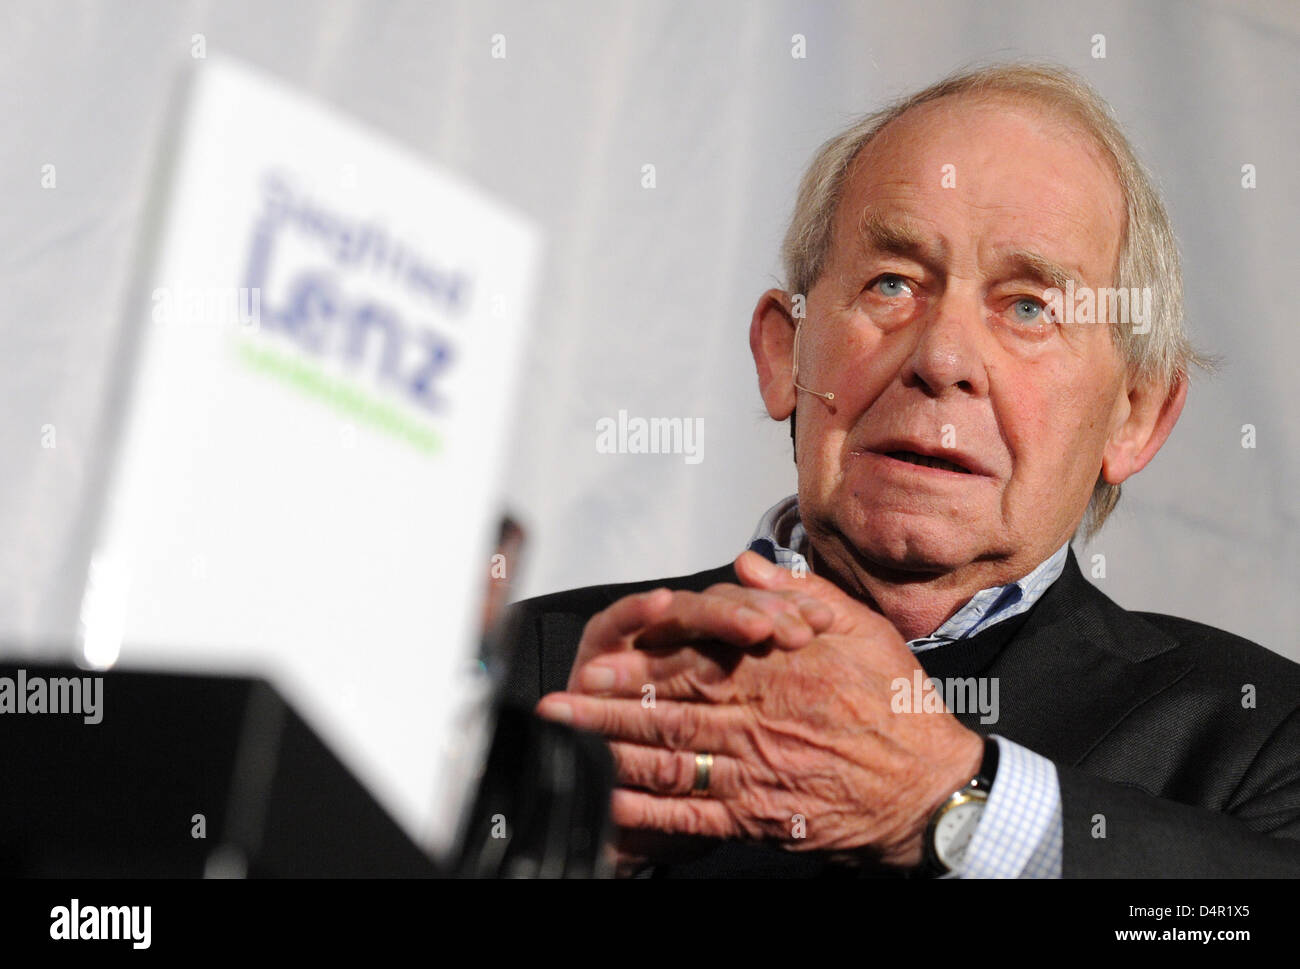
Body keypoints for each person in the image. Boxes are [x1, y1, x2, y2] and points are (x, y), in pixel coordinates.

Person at [504, 63, 1300, 877]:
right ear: (785, 353)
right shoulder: (533, 672)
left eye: (1029, 306)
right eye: (893, 284)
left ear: (1133, 417)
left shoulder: (1260, 736)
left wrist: (952, 805)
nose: (943, 357)